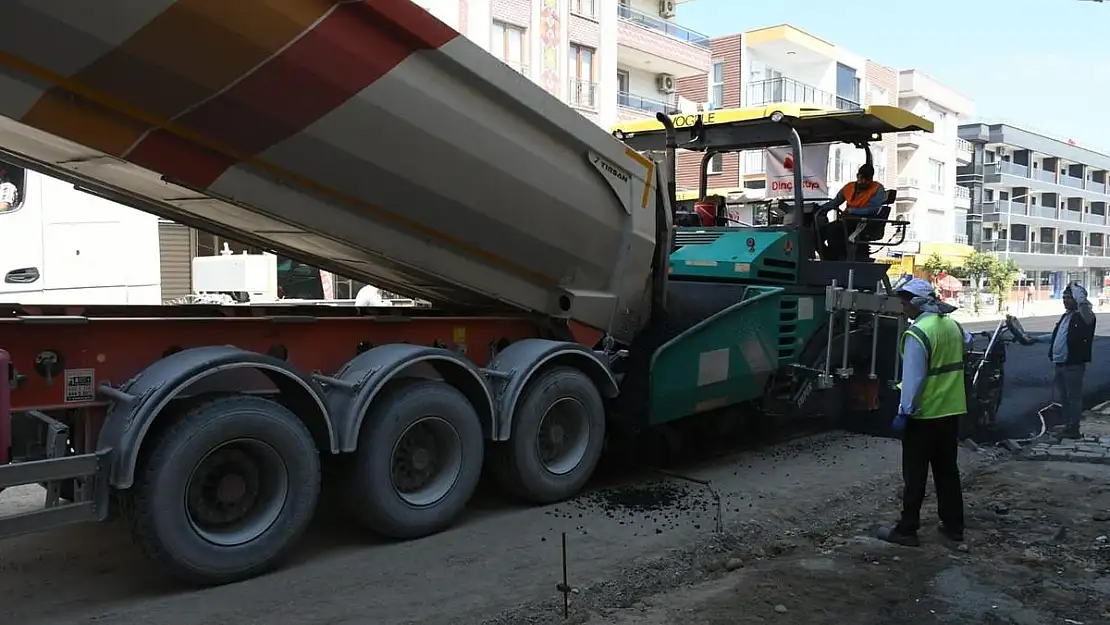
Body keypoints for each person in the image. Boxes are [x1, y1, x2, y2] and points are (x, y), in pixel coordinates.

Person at [877, 278, 971, 547]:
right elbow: (967, 341)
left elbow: (915, 378)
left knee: (915, 474)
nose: (903, 305)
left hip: (924, 414)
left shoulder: (918, 333)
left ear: (918, 302)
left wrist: (904, 411)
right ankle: (953, 526)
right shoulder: (951, 325)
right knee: (947, 471)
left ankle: (907, 529)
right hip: (951, 410)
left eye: (905, 300)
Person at [1011, 281, 1096, 439]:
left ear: (1076, 299)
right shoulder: (1066, 317)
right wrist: (1036, 339)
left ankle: (1073, 429)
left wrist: (1078, 293)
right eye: (1063, 297)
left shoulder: (1085, 317)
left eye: (1069, 297)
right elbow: (1056, 336)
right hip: (1060, 364)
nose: (1065, 300)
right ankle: (1068, 425)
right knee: (1064, 398)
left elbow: (1084, 306)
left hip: (1073, 365)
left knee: (1074, 398)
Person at [817, 163, 886, 260]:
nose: (863, 182)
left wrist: (854, 211)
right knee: (820, 232)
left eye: (867, 180)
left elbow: (874, 209)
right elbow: (836, 201)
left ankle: (836, 257)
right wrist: (820, 209)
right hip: (848, 219)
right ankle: (829, 256)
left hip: (864, 221)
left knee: (833, 230)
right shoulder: (849, 187)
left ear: (871, 179)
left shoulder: (877, 188)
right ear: (857, 176)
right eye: (861, 178)